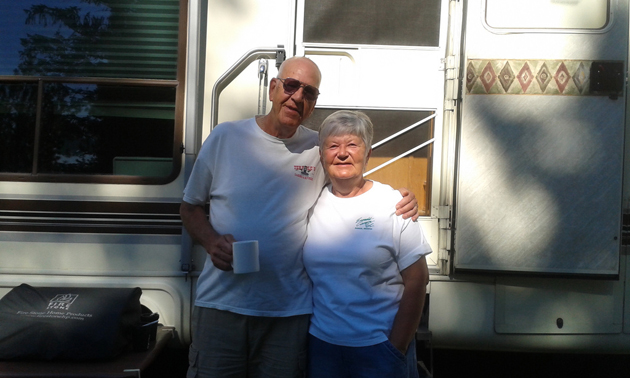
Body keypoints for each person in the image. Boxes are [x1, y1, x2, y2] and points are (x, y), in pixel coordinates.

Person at [180, 57, 419, 378]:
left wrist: (401, 197)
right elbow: (189, 207)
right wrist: (211, 242)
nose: (297, 97)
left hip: (289, 314)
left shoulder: (316, 147)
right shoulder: (225, 138)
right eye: (291, 86)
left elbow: (351, 175)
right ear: (273, 88)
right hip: (222, 305)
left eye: (309, 92)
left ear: (314, 103)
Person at [304, 110, 432, 378]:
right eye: (333, 146)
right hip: (323, 346)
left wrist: (397, 346)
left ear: (368, 153)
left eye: (352, 144)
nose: (342, 153)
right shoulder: (309, 203)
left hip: (379, 347)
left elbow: (417, 279)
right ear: (321, 155)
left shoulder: (393, 204)